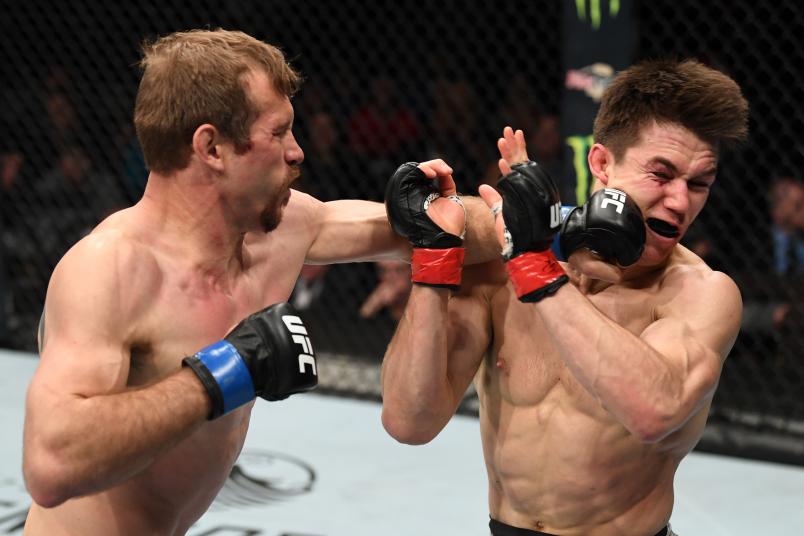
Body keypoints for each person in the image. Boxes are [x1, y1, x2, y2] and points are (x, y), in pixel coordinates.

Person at [22, 29, 494, 535]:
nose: (297, 153)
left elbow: (475, 234)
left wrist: (426, 211)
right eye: (279, 132)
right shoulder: (112, 269)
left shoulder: (283, 231)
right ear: (212, 147)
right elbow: (50, 467)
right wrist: (222, 375)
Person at [382, 59, 748, 535]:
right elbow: (410, 421)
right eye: (661, 175)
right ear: (601, 163)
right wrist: (435, 255)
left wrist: (534, 266)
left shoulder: (700, 294)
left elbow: (654, 412)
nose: (681, 202)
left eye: (698, 183)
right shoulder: (500, 263)